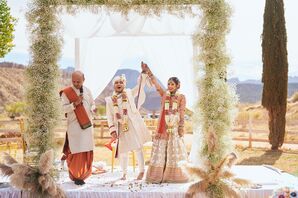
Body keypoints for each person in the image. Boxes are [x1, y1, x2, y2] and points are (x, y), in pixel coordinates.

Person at [105, 64, 152, 180]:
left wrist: (143, 74)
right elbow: (110, 117)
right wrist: (112, 131)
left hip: (132, 124)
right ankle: (124, 173)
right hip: (120, 127)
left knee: (138, 147)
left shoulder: (129, 93)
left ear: (124, 84)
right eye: (116, 83)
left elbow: (139, 87)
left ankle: (141, 171)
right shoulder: (110, 101)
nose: (119, 84)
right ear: (113, 86)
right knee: (123, 151)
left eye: (121, 82)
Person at [145, 66, 189, 183]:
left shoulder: (181, 97)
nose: (169, 86)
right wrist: (150, 73)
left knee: (172, 148)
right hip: (163, 124)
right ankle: (160, 174)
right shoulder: (165, 95)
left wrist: (181, 126)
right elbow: (157, 86)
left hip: (174, 126)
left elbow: (182, 112)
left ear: (177, 85)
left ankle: (172, 175)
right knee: (162, 148)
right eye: (168, 84)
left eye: (172, 84)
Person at [60, 71, 95, 185]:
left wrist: (93, 108)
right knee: (76, 151)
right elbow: (63, 109)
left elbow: (92, 103)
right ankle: (76, 175)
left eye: (78, 81)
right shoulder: (66, 93)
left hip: (87, 126)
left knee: (86, 150)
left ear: (83, 79)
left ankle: (84, 174)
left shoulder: (88, 90)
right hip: (74, 127)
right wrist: (74, 104)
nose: (76, 83)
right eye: (74, 81)